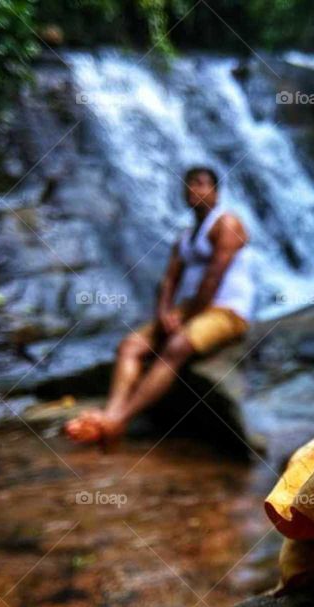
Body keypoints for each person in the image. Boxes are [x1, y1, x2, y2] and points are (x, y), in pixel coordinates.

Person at [65, 166, 255, 444]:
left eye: (203, 184)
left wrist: (185, 317)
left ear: (216, 194)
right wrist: (165, 312)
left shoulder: (227, 224)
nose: (196, 190)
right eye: (190, 185)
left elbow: (214, 276)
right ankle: (112, 413)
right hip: (191, 308)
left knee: (175, 345)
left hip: (228, 311)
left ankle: (117, 420)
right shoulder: (185, 237)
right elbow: (168, 282)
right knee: (130, 346)